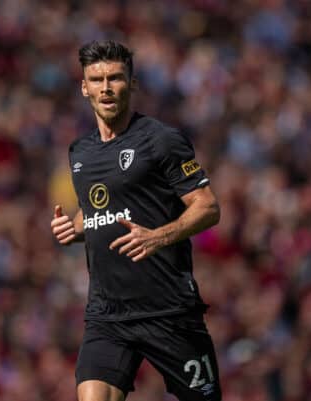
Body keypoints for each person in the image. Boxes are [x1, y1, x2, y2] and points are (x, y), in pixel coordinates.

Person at [51, 40, 222, 401]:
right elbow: (99, 210)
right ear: (84, 87)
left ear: (132, 82)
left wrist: (157, 237)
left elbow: (207, 207)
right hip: (107, 314)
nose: (106, 87)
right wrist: (76, 227)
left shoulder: (162, 140)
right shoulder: (80, 152)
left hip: (169, 311)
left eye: (115, 78)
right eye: (96, 80)